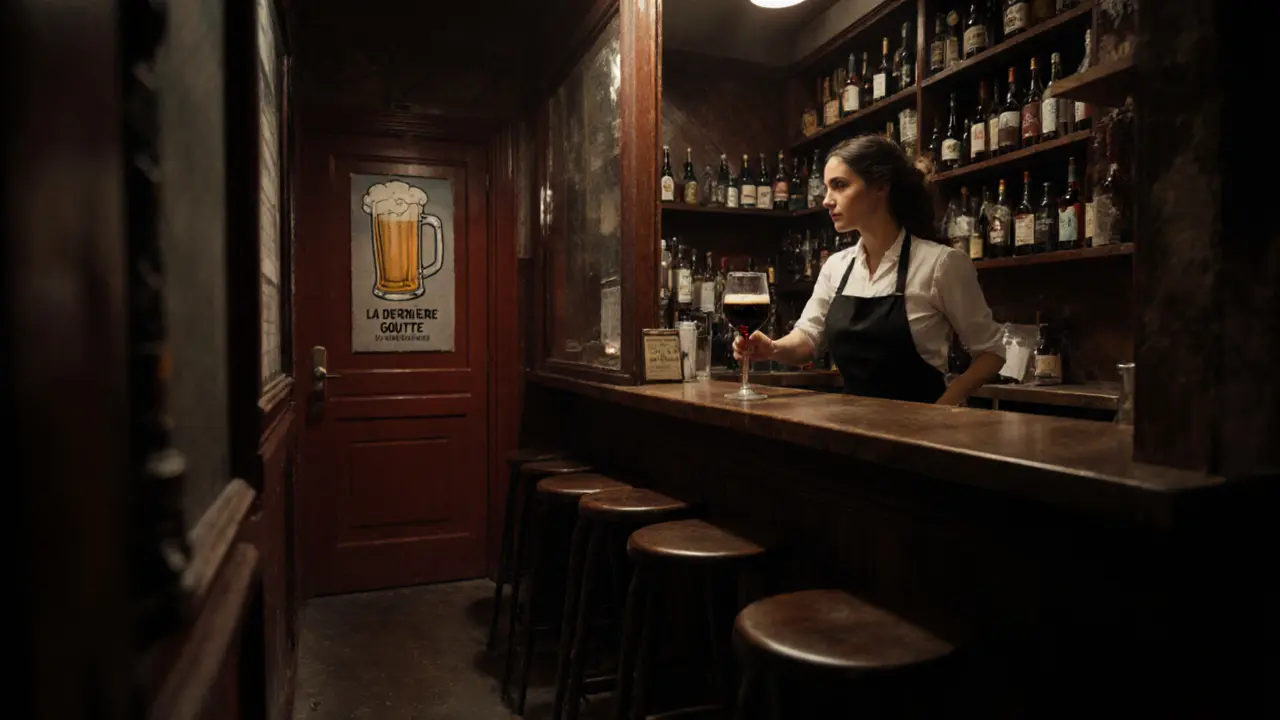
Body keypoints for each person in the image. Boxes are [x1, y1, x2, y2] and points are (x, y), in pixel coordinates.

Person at [734, 134, 1005, 405]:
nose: (827, 200)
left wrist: (943, 409)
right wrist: (772, 348)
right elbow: (808, 340)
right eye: (827, 188)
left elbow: (991, 353)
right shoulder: (836, 267)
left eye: (839, 186)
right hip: (853, 428)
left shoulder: (941, 264)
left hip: (921, 433)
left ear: (880, 187)